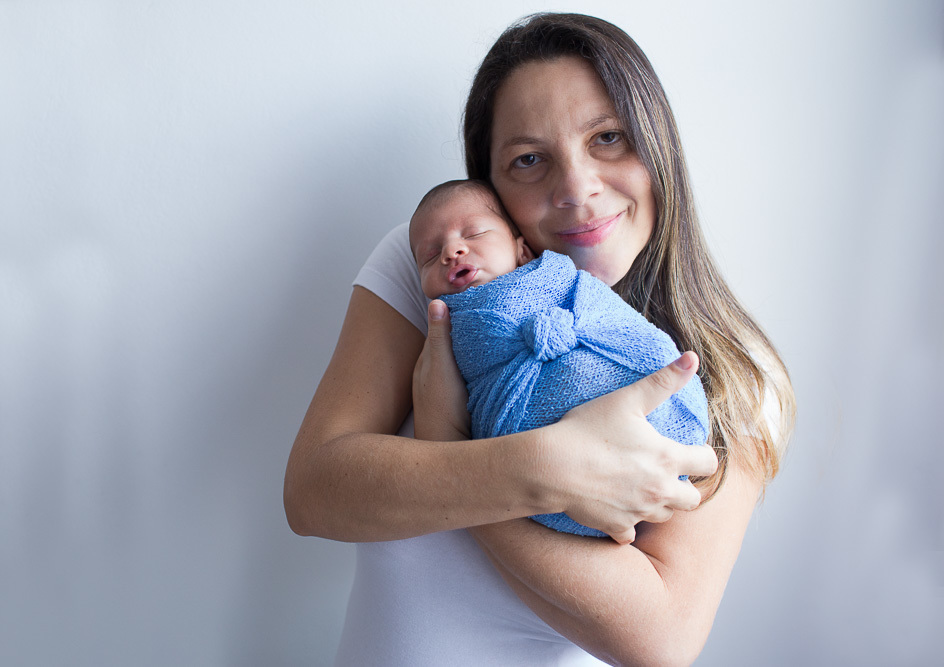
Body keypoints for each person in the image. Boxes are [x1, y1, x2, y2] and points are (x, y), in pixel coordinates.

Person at [284, 12, 795, 666]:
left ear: (657, 146)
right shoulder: (442, 266)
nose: (578, 190)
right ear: (491, 187)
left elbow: (660, 640)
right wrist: (545, 469)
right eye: (529, 159)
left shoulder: (733, 374)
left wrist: (455, 443)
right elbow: (313, 492)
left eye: (608, 137)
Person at [409, 178, 711, 538]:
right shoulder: (449, 328)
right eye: (430, 256)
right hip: (532, 483)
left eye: (474, 234)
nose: (451, 251)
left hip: (652, 416)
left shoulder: (559, 278)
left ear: (523, 252)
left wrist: (444, 442)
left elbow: (612, 316)